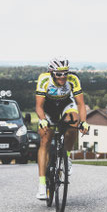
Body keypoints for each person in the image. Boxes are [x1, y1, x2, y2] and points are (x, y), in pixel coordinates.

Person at [34, 57, 89, 200]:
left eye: (65, 73)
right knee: (45, 139)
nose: (63, 77)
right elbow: (39, 106)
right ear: (51, 73)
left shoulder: (73, 79)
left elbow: (81, 104)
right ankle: (41, 186)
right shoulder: (44, 79)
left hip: (65, 104)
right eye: (59, 74)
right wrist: (43, 120)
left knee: (74, 122)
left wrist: (84, 122)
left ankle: (67, 156)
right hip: (48, 108)